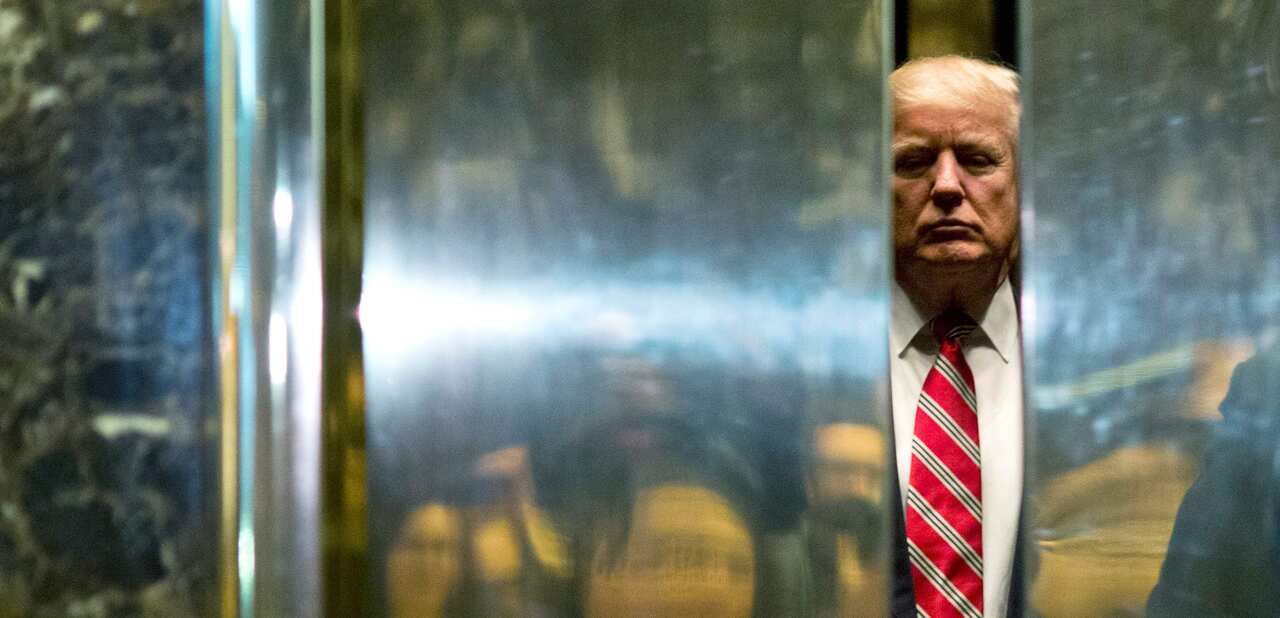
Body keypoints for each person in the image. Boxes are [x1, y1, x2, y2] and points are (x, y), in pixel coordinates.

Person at [887, 56, 1026, 617]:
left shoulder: (1089, 371)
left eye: (977, 159)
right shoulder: (812, 369)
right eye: (912, 162)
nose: (946, 186)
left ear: (1025, 183)